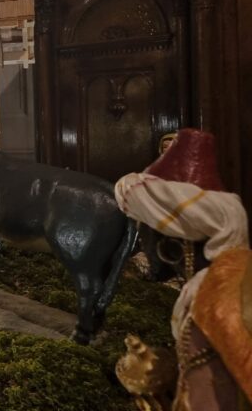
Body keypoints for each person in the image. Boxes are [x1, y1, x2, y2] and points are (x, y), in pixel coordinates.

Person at [115, 128, 251, 410]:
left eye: (148, 232)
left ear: (173, 245)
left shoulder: (216, 301)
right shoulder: (230, 275)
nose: (145, 246)